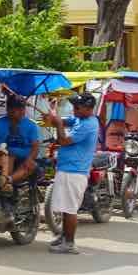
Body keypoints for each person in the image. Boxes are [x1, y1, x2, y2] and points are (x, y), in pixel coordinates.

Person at [47, 92, 100, 255]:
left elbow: (63, 140)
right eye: (73, 107)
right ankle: (64, 237)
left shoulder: (88, 125)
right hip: (67, 168)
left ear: (87, 108)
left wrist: (58, 124)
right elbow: (65, 121)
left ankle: (69, 243)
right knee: (65, 207)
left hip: (74, 171)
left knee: (69, 209)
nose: (74, 110)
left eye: (77, 107)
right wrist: (53, 117)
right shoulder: (80, 118)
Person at [0, 95, 42, 190]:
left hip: (23, 159)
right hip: (1, 157)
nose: (21, 112)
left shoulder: (31, 125)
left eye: (22, 109)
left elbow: (35, 147)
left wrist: (29, 159)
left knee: (31, 165)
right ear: (8, 110)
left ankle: (7, 180)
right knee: (7, 154)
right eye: (18, 110)